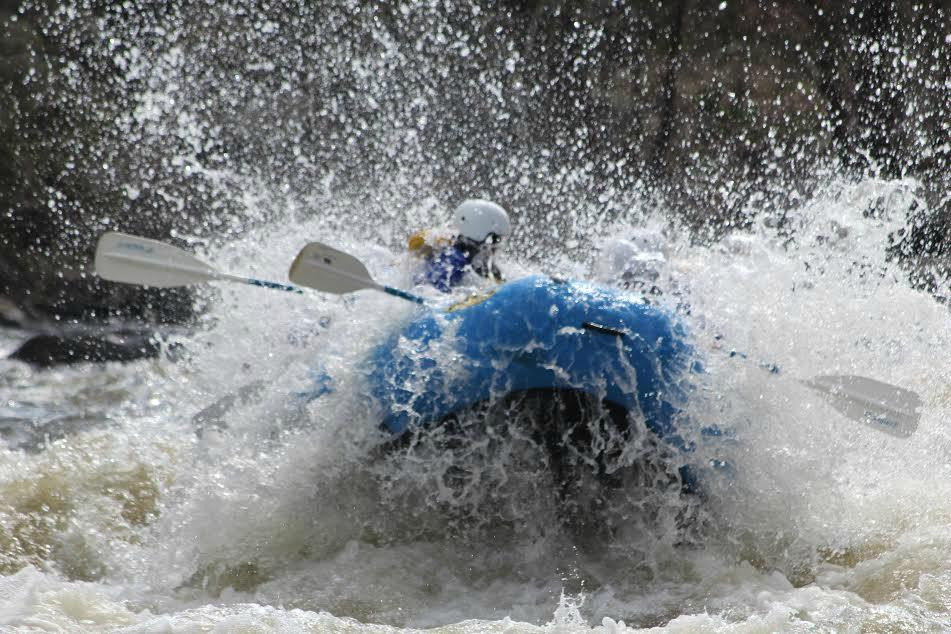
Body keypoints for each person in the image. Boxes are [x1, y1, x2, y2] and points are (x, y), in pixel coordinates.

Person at [409, 199, 512, 292]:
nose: (495, 248)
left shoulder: (476, 264)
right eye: (495, 240)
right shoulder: (453, 260)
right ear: (478, 232)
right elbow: (428, 293)